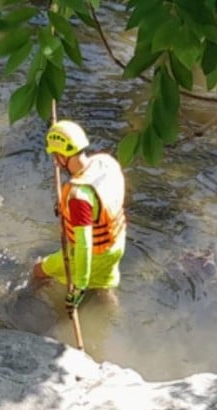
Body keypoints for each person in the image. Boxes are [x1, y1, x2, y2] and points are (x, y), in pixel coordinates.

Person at [33, 120, 128, 314]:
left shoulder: (79, 198)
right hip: (116, 244)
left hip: (92, 254)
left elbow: (84, 246)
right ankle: (114, 316)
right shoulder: (104, 162)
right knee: (104, 286)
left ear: (61, 155)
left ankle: (25, 299)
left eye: (55, 156)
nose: (55, 161)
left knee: (39, 270)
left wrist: (79, 288)